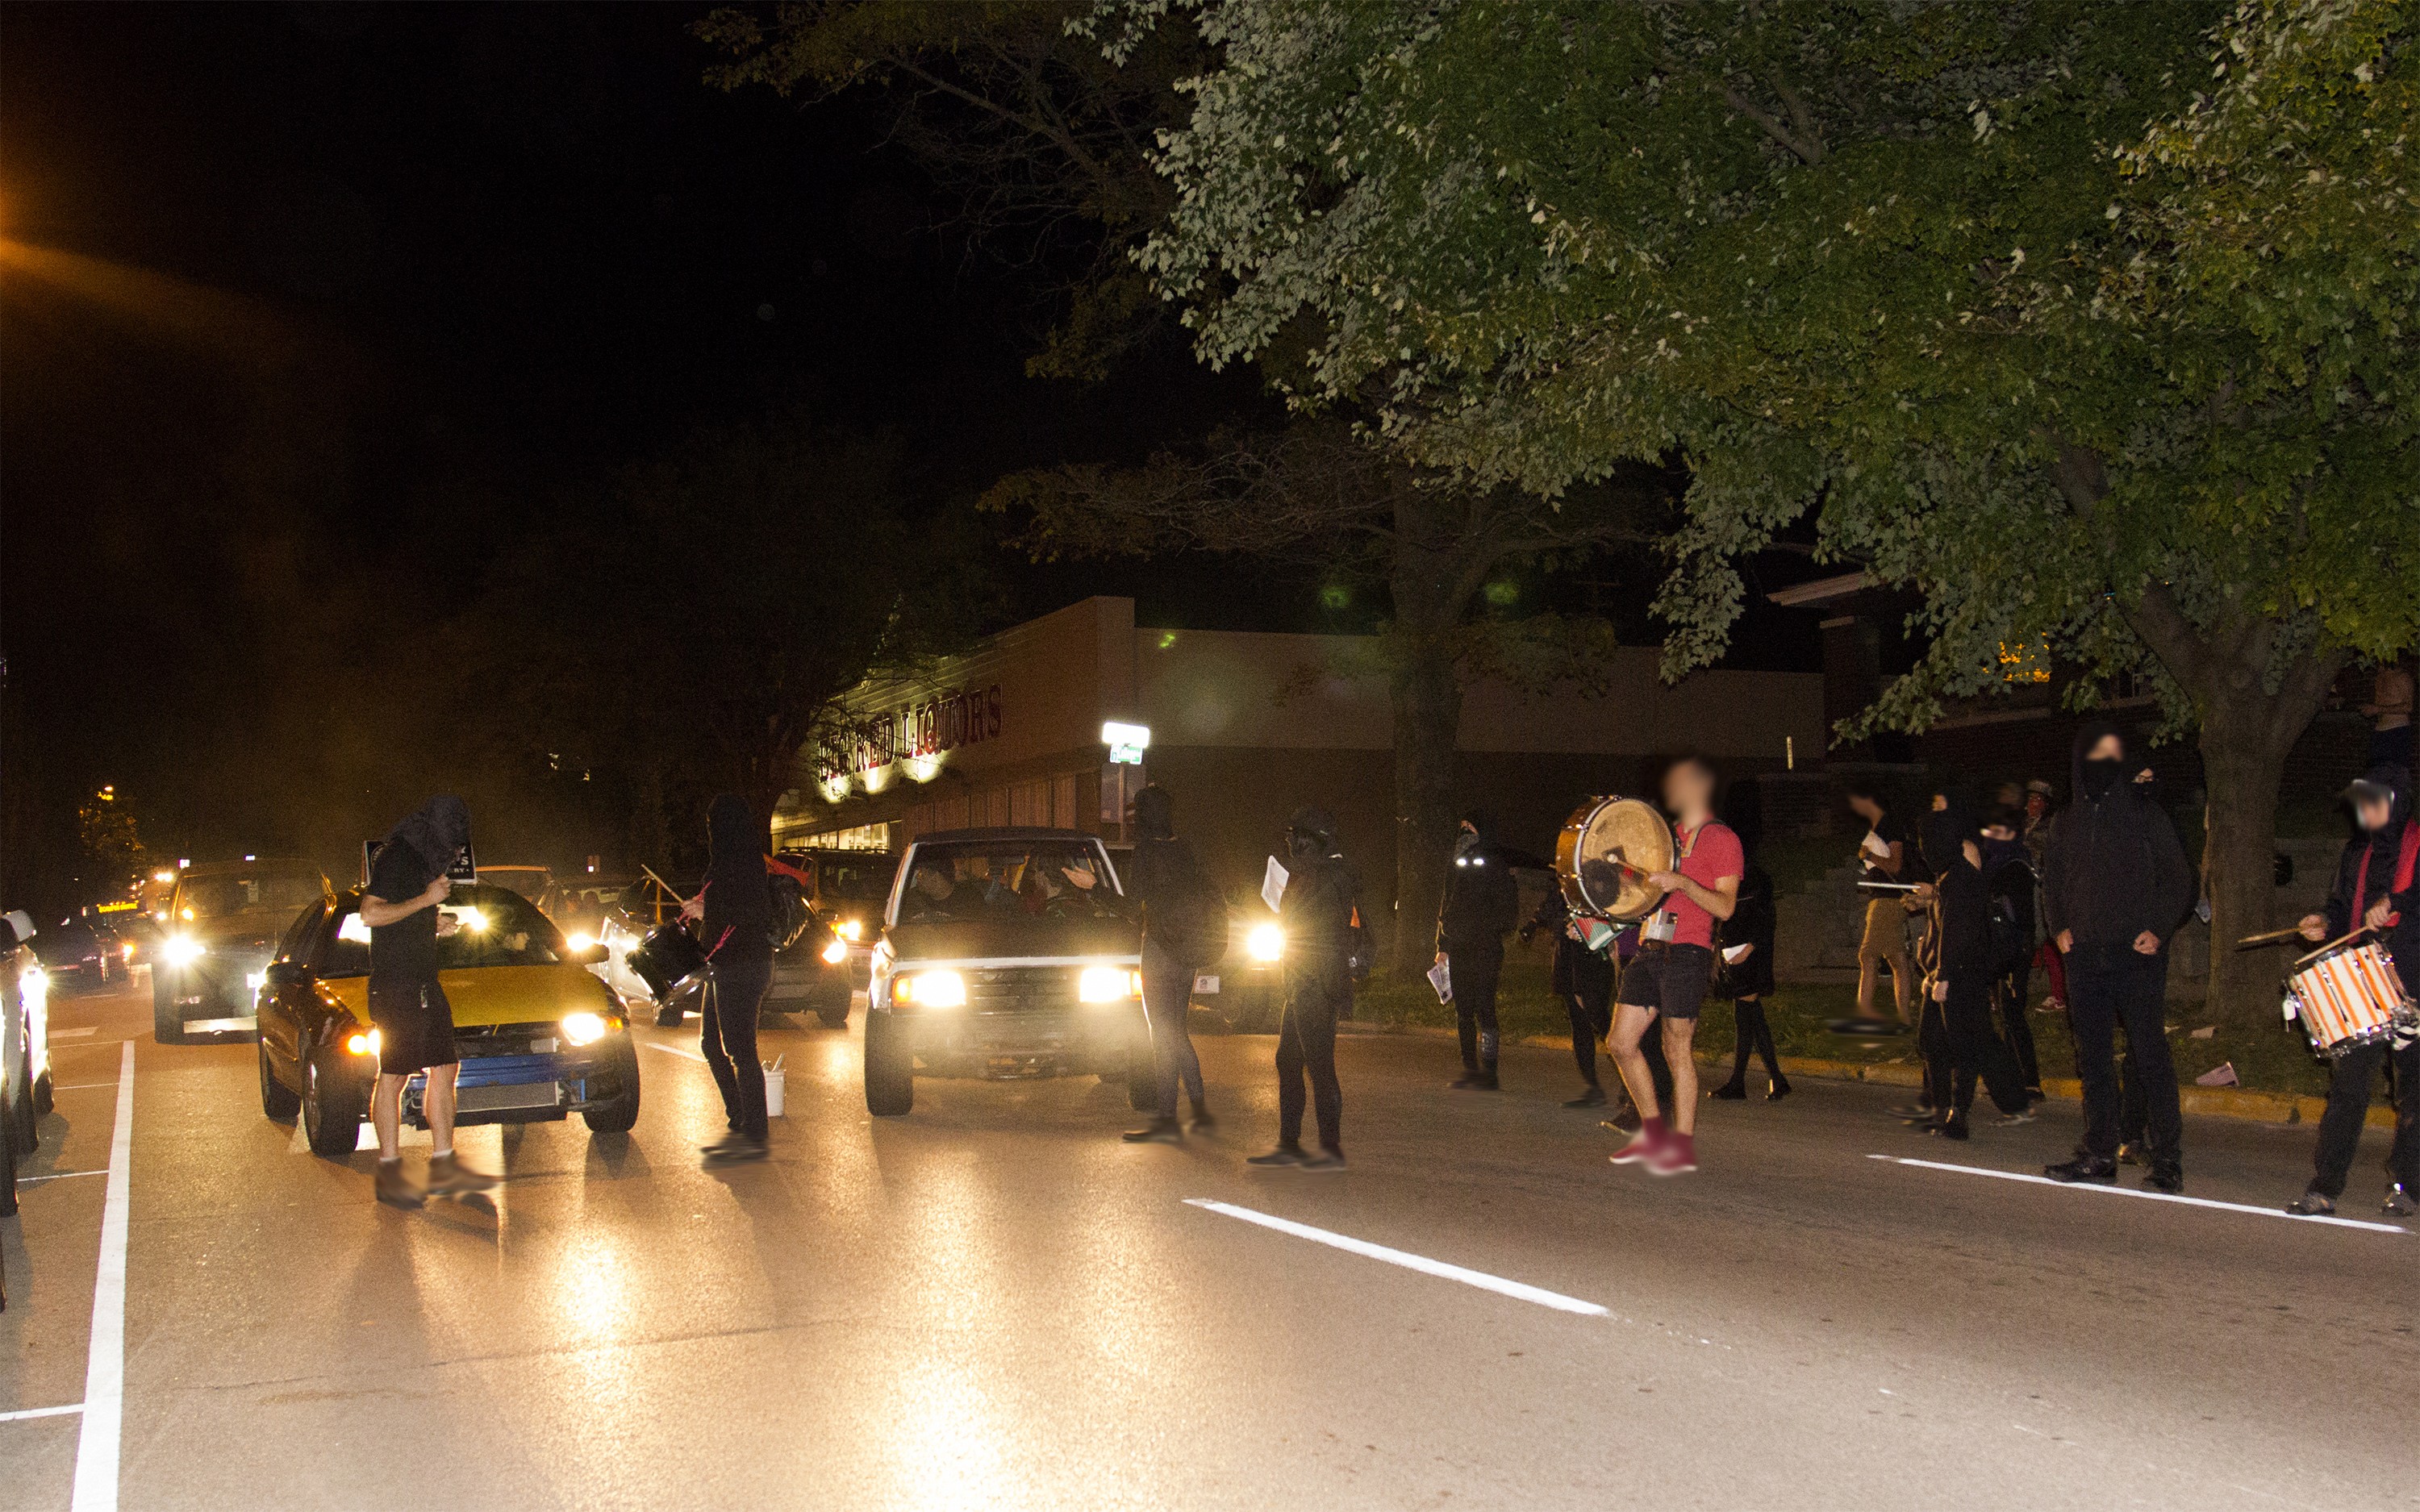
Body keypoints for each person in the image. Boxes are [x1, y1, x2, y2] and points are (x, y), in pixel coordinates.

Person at [2041, 721, 2194, 1191]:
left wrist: (2160, 929)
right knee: (2094, 1058)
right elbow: (2051, 880)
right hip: (2085, 953)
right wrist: (2059, 927)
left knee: (2150, 1053)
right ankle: (2099, 1151)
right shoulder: (2067, 820)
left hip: (2135, 953)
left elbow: (2179, 879)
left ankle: (2167, 1158)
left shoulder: (2148, 816)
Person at [2284, 765, 2420, 1217]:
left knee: (2413, 1092)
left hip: (2412, 986)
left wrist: (2397, 903)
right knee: (2348, 1087)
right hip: (2362, 983)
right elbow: (2343, 911)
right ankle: (2325, 1186)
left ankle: (2407, 1184)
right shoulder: (2356, 853)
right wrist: (2322, 923)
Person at [1607, 756, 1742, 1177]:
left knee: (1675, 1047)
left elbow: (1726, 906)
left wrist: (1683, 882)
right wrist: (1620, 880)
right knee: (1620, 1043)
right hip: (1650, 945)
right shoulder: (1668, 838)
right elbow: (1649, 893)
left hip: (1689, 951)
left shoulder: (1722, 839)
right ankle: (1652, 1134)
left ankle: (1680, 1146)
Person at [361, 794, 496, 1208]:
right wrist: (426, 901)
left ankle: (443, 1165)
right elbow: (371, 914)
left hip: (423, 981)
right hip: (395, 986)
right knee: (396, 1074)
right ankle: (390, 1171)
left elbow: (401, 918)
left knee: (445, 1065)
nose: (454, 852)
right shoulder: (398, 859)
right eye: (451, 843)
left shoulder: (420, 861)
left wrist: (434, 924)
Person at [1909, 793, 2034, 1139]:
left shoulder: (1961, 878)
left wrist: (1943, 975)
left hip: (1961, 976)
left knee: (1964, 1045)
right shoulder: (1949, 878)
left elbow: (1957, 932)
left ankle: (1957, 1113)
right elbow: (1943, 928)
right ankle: (1945, 1109)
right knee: (1937, 1042)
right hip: (1951, 974)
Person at [1249, 806, 1356, 1170]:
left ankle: (1330, 1150)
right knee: (1288, 1059)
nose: (1291, 844)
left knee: (1320, 1066)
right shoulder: (1313, 873)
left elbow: (1318, 922)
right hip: (1300, 981)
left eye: (1296, 838)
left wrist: (1288, 888)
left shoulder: (1329, 874)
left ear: (1312, 841)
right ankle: (1290, 1143)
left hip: (1316, 982)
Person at [1122, 784, 1219, 1143]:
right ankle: (1193, 1116)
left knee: (1163, 1035)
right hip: (1187, 951)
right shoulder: (1186, 848)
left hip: (1160, 949)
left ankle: (1173, 1120)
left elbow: (1132, 909)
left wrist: (1092, 888)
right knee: (1176, 1031)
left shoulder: (1145, 852)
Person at [682, 794, 773, 1166]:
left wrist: (708, 910)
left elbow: (752, 913)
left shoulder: (745, 861)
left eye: (712, 824)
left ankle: (755, 1128)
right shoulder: (727, 861)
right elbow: (729, 911)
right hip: (726, 964)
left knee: (741, 1050)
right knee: (710, 1043)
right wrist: (705, 911)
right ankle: (740, 1114)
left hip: (743, 964)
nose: (709, 831)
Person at [1437, 808, 1521, 1090]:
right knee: (1463, 1009)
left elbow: (1507, 911)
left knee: (1485, 1007)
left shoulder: (1496, 863)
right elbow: (1446, 905)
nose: (1464, 831)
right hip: (1459, 945)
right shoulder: (1456, 862)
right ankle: (1469, 1070)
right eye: (1461, 826)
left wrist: (1483, 928)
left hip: (1485, 947)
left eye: (1469, 826)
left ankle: (1490, 1073)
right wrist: (1443, 945)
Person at [1523, 889, 1616, 1107]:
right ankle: (1592, 1088)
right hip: (1566, 949)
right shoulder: (1565, 873)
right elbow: (1553, 904)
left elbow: (1612, 903)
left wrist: (1582, 926)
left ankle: (1632, 1085)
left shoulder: (1597, 866)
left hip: (1593, 948)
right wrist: (1541, 922)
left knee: (1598, 1015)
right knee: (1578, 1021)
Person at [1979, 807, 2045, 1098]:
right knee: (2008, 1013)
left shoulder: (2013, 867)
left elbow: (2015, 917)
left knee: (2012, 1013)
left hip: (2011, 949)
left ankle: (2028, 1080)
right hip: (2012, 946)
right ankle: (2015, 1078)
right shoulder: (2014, 863)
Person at [1711, 861, 1788, 1102]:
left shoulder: (1756, 878)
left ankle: (1739, 1083)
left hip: (1751, 955)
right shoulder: (1729, 876)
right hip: (1734, 953)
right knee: (1750, 1017)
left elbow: (1766, 919)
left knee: (1746, 1018)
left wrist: (1750, 948)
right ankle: (1776, 1078)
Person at [1846, 781, 1917, 1025]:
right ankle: (1903, 1016)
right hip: (1882, 898)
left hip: (1887, 900)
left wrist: (1869, 855)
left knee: (1868, 956)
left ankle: (1863, 1014)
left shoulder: (1890, 825)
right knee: (1896, 958)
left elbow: (1896, 865)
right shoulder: (1879, 827)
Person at [2022, 780, 2067, 1014]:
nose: (2033, 804)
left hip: (2043, 885)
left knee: (2049, 937)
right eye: (2030, 799)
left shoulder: (2051, 826)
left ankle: (2059, 994)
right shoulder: (2019, 825)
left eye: (2038, 800)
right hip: (2021, 886)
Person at [2362, 661, 2414, 774]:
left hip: (2397, 731)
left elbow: (2408, 707)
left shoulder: (2401, 677)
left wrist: (2379, 709)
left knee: (2396, 773)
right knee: (2376, 773)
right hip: (2380, 731)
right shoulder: (2379, 677)